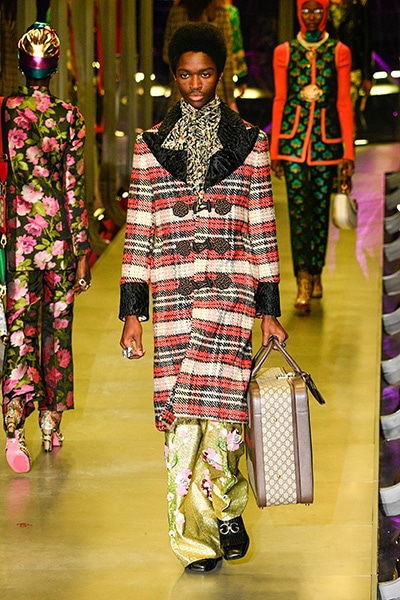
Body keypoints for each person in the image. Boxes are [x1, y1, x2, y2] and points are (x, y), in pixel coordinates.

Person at [119, 22, 287, 573]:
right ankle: (196, 540)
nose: (196, 84)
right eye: (186, 75)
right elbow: (139, 229)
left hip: (232, 291)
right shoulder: (150, 146)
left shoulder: (249, 142)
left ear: (220, 74)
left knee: (224, 417)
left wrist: (269, 310)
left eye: (206, 74)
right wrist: (132, 314)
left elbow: (262, 226)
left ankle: (228, 508)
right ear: (174, 76)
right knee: (183, 423)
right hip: (172, 295)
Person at [2, 22, 91, 473]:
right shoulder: (69, 115)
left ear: (22, 65)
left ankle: (14, 429)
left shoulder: (5, 111)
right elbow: (73, 187)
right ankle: (51, 425)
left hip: (18, 238)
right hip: (58, 238)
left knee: (19, 332)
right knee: (58, 333)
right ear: (54, 68)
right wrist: (82, 251)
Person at [270, 0, 354, 312]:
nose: (311, 16)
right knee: (297, 213)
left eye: (317, 10)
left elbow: (343, 101)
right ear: (298, 12)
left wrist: (348, 152)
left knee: (319, 211)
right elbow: (280, 99)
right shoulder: (285, 51)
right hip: (293, 142)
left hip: (327, 142)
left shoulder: (338, 51)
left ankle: (316, 271)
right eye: (306, 10)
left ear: (326, 12)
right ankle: (302, 279)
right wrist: (276, 148)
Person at [162, 0, 237, 111]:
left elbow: (166, 55)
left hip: (181, 94)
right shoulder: (220, 13)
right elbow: (228, 62)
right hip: (214, 94)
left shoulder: (177, 12)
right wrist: (230, 100)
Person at [326, 0, 373, 121]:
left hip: (352, 69)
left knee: (347, 112)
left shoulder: (357, 7)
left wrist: (367, 75)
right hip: (326, 70)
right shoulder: (321, 8)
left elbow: (365, 41)